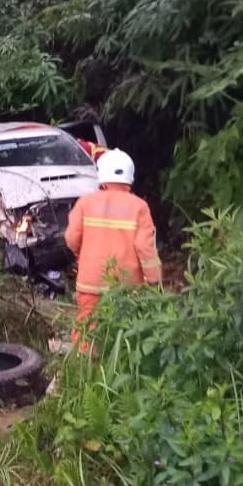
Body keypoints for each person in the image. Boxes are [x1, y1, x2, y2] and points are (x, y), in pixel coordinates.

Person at [64, 149, 162, 354]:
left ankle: (82, 372)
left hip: (90, 281)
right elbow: (146, 248)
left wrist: (82, 254)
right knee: (124, 331)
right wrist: (154, 280)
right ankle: (119, 368)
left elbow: (71, 238)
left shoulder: (85, 202)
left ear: (101, 174)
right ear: (130, 177)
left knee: (86, 328)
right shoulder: (139, 207)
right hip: (126, 286)